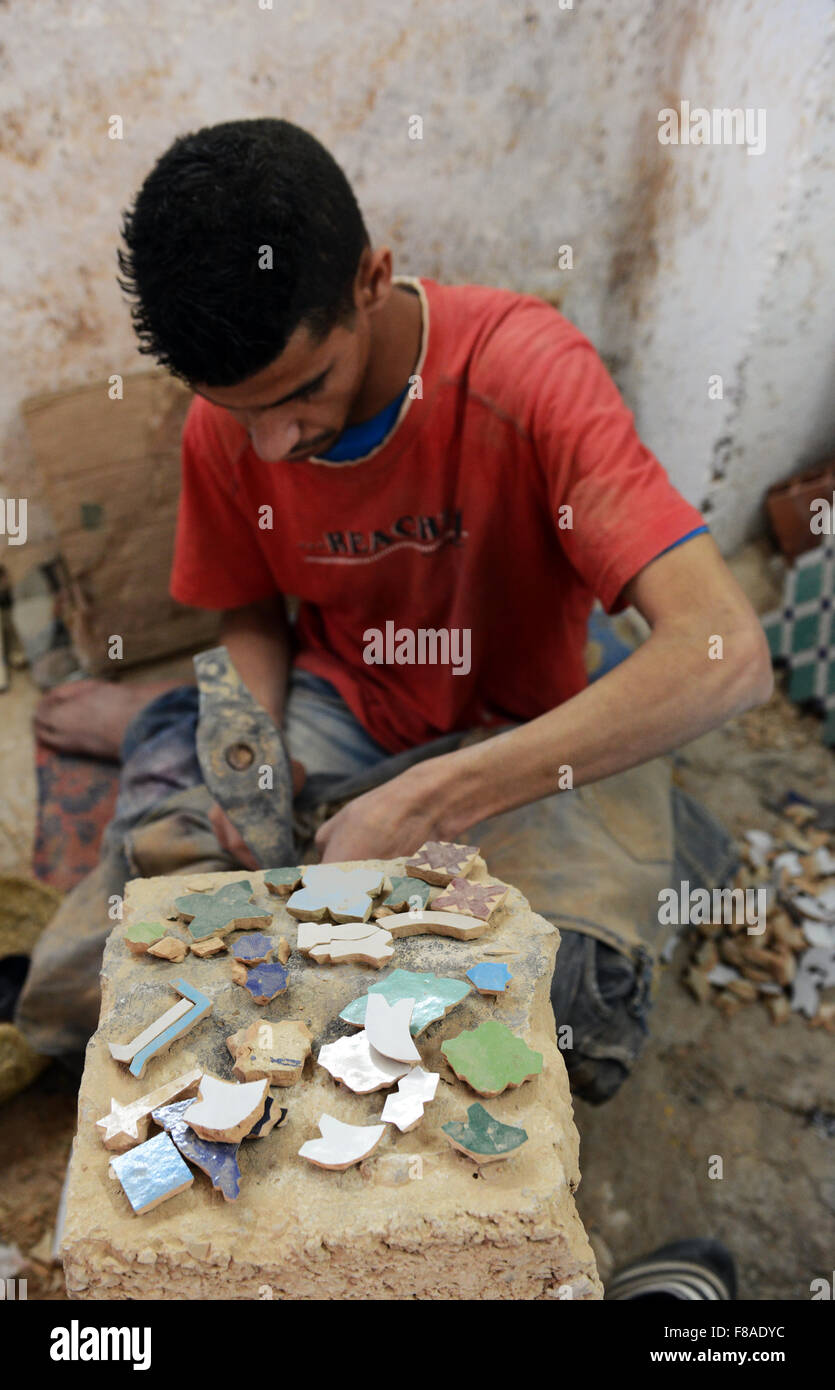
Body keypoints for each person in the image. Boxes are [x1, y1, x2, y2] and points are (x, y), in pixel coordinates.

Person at [19, 118, 771, 1097]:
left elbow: (728, 653)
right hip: (348, 696)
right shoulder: (227, 425)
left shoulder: (525, 370)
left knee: (560, 1010)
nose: (277, 445)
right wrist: (250, 737)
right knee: (110, 970)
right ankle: (178, 722)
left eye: (303, 393)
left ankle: (175, 724)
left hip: (526, 719)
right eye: (242, 412)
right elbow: (248, 614)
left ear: (372, 279)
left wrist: (432, 800)